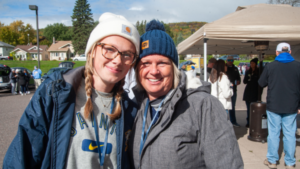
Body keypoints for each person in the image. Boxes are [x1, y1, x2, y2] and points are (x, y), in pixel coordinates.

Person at [3, 12, 140, 169]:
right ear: (92, 50)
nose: (117, 60)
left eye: (127, 54)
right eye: (109, 49)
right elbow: (21, 156)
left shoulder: (130, 111)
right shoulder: (55, 94)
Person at [128, 20, 243, 169]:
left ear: (174, 67)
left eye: (162, 63)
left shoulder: (203, 106)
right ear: (137, 69)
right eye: (146, 63)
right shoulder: (135, 106)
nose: (154, 71)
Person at [259, 42, 300, 169]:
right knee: (290, 134)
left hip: (274, 105)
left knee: (274, 134)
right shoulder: (298, 66)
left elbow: (261, 83)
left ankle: (272, 161)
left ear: (277, 53)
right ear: (290, 52)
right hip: (291, 106)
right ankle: (290, 162)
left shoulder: (270, 66)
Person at [243, 58, 259, 128]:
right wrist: (247, 78)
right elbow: (244, 81)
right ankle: (248, 122)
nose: (252, 65)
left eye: (253, 63)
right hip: (248, 92)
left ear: (256, 64)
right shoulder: (247, 71)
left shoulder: (259, 71)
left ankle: (254, 122)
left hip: (255, 92)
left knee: (255, 109)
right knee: (249, 109)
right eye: (251, 63)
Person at [226, 55, 241, 127]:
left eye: (231, 60)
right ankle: (224, 122)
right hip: (225, 90)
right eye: (229, 60)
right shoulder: (224, 68)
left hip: (233, 90)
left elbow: (239, 79)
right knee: (225, 107)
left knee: (232, 107)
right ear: (226, 61)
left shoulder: (235, 69)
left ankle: (233, 121)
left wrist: (238, 82)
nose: (230, 62)